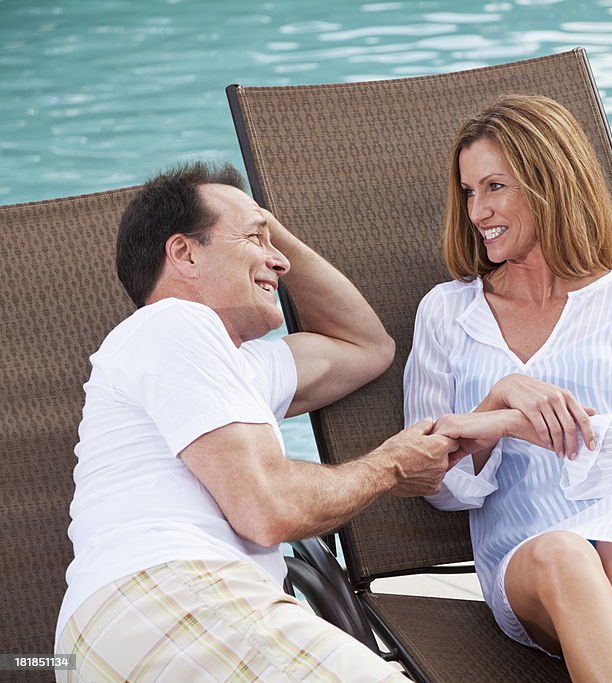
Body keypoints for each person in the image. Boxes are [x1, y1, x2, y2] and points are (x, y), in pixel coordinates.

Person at [56, 162, 457, 682]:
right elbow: (267, 508)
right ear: (183, 252)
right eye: (252, 237)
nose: (280, 261)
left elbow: (367, 347)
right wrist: (392, 465)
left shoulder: (238, 368)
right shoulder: (175, 323)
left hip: (140, 622)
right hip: (174, 598)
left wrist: (265, 230)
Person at [404, 95, 612, 683]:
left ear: (550, 182)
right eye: (469, 192)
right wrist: (491, 403)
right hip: (529, 544)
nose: (478, 211)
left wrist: (510, 423)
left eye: (495, 186)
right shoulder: (446, 313)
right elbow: (434, 486)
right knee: (563, 552)